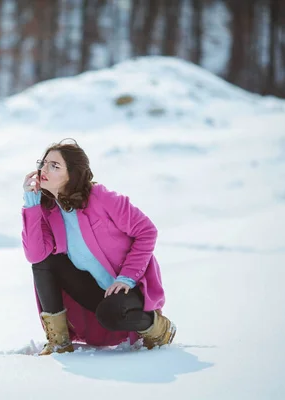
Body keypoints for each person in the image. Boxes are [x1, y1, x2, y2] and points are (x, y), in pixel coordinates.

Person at [21, 138, 176, 356]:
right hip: (94, 290)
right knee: (45, 262)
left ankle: (159, 328)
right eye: (43, 163)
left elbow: (147, 231)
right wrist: (31, 203)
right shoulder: (48, 210)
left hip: (129, 287)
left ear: (72, 174)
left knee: (111, 314)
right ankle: (59, 342)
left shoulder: (101, 198)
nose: (43, 170)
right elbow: (35, 255)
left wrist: (127, 277)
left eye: (54, 166)